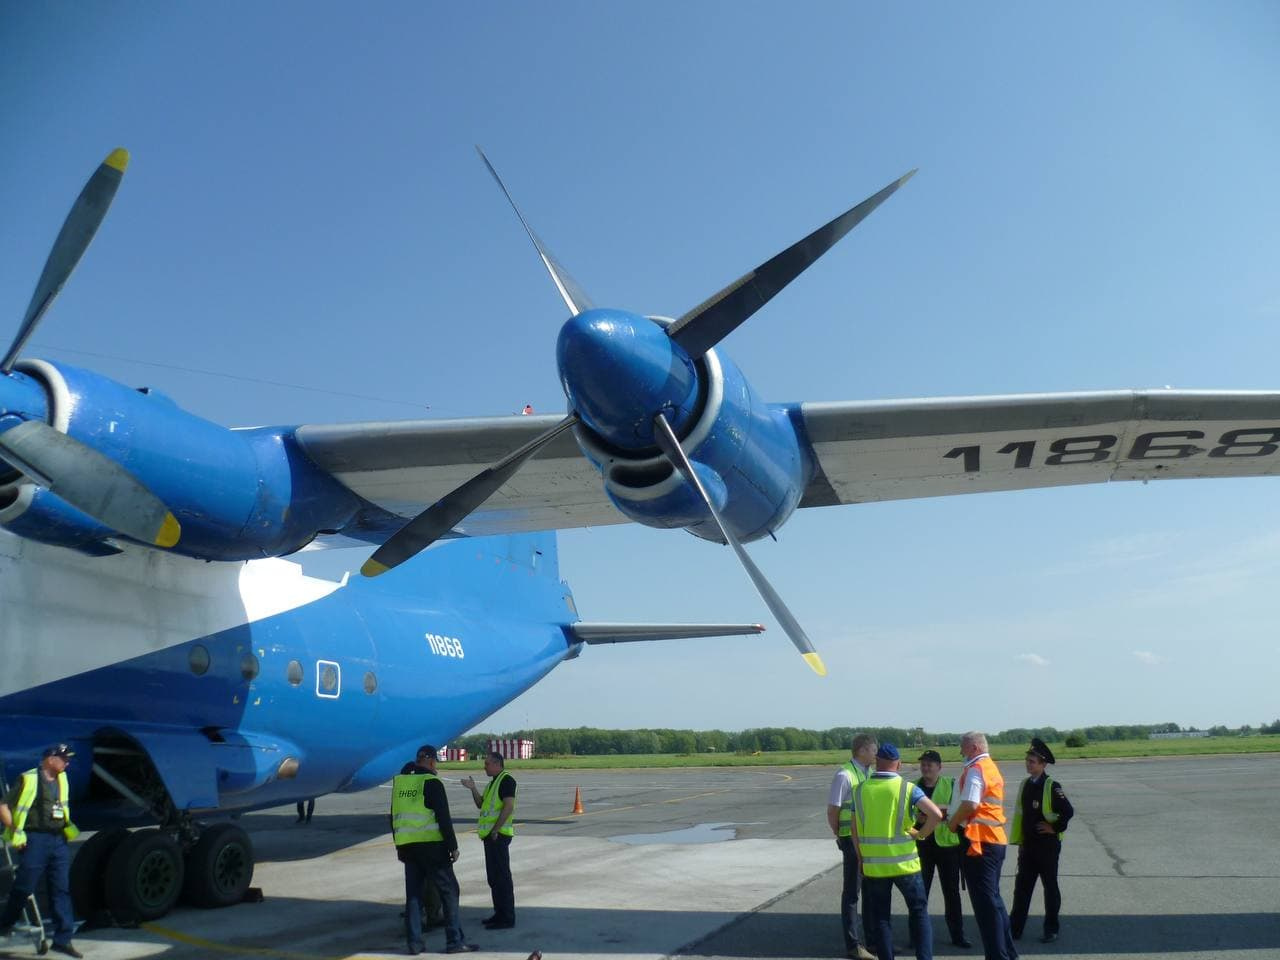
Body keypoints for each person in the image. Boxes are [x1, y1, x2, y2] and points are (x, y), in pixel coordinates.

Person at [850, 743, 943, 960]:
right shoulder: (907, 788)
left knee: (881, 918)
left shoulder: (859, 790)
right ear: (898, 764)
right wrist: (920, 835)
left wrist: (861, 858)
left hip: (875, 866)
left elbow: (854, 830)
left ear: (876, 762)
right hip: (905, 864)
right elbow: (936, 815)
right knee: (919, 912)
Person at [391, 745, 477, 955]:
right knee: (450, 892)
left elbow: (393, 816)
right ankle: (454, 941)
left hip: (408, 848)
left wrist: (399, 845)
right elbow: (443, 818)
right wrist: (453, 847)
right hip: (431, 847)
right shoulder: (432, 782)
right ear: (430, 761)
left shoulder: (399, 782)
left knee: (413, 896)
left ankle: (414, 943)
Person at [0, 744, 84, 958]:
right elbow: (3, 806)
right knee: (24, 886)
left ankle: (63, 940)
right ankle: (4, 924)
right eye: (63, 758)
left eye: (68, 758)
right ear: (49, 759)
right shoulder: (29, 779)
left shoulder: (62, 779)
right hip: (35, 839)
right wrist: (15, 831)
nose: (67, 762)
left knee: (61, 889)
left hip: (58, 840)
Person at [945, 732, 1017, 960]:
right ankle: (1008, 953)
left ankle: (997, 956)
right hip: (993, 840)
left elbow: (970, 803)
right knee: (994, 902)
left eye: (963, 748)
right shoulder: (990, 767)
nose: (960, 752)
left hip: (979, 843)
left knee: (986, 908)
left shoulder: (976, 769)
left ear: (974, 748)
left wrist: (953, 822)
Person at [1009, 738, 1073, 944]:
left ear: (1043, 765)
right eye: (1027, 760)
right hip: (1028, 847)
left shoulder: (1052, 786)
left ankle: (1051, 929)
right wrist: (1020, 843)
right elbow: (1022, 816)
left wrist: (1053, 827)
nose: (1029, 764)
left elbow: (1068, 811)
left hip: (1047, 847)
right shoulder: (1025, 784)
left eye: (1033, 761)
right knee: (1022, 890)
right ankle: (1014, 930)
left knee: (1050, 888)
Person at [911, 750, 971, 949]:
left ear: (939, 767)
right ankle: (916, 937)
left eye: (930, 764)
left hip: (948, 847)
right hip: (922, 847)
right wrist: (916, 821)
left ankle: (958, 935)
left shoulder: (951, 785)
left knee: (951, 893)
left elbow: (963, 813)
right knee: (920, 893)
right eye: (924, 764)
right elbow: (905, 818)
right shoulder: (913, 788)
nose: (926, 767)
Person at [828, 733, 878, 960]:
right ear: (861, 751)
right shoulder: (844, 775)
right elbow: (833, 810)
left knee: (868, 891)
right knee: (851, 894)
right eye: (873, 750)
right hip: (850, 839)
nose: (875, 754)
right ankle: (853, 946)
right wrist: (839, 833)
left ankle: (871, 941)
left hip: (866, 840)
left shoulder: (867, 773)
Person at [461, 751, 517, 929]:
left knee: (502, 878)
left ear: (497, 764)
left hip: (498, 836)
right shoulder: (492, 783)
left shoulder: (507, 780)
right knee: (493, 878)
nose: (484, 767)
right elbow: (480, 804)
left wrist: (496, 829)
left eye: (486, 764)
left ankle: (507, 918)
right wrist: (473, 788)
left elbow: (508, 806)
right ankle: (499, 913)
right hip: (490, 836)